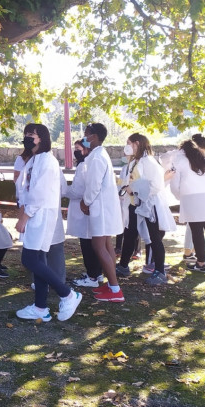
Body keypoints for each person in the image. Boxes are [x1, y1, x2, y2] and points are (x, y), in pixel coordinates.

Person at [15, 124, 82, 322]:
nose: (28, 137)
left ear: (42, 138)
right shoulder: (35, 159)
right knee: (38, 261)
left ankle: (68, 294)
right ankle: (40, 307)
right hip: (36, 214)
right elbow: (25, 189)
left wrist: (24, 217)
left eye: (32, 135)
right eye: (26, 134)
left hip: (40, 215)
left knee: (30, 260)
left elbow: (39, 193)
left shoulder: (46, 160)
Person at [116, 133, 177, 286]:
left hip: (149, 206)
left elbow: (156, 185)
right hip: (135, 204)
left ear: (136, 143)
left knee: (155, 238)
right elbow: (130, 180)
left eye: (128, 142)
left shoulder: (149, 162)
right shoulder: (135, 162)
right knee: (129, 235)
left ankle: (160, 272)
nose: (127, 146)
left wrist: (133, 188)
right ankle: (123, 265)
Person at [80, 123, 125, 302]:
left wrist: (86, 201)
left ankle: (115, 290)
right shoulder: (99, 154)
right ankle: (111, 284)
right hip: (105, 207)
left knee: (99, 247)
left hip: (100, 208)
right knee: (106, 245)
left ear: (95, 137)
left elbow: (93, 185)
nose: (84, 138)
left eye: (86, 134)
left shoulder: (97, 157)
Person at [169, 134, 205, 272]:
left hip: (191, 199)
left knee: (197, 232)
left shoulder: (179, 161)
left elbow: (175, 185)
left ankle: (201, 262)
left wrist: (180, 197)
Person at [68, 140, 104, 288]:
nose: (75, 151)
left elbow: (77, 190)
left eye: (78, 149)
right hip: (89, 208)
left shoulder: (84, 166)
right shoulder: (87, 164)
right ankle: (97, 273)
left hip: (84, 208)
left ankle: (92, 276)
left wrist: (64, 191)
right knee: (91, 242)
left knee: (87, 244)